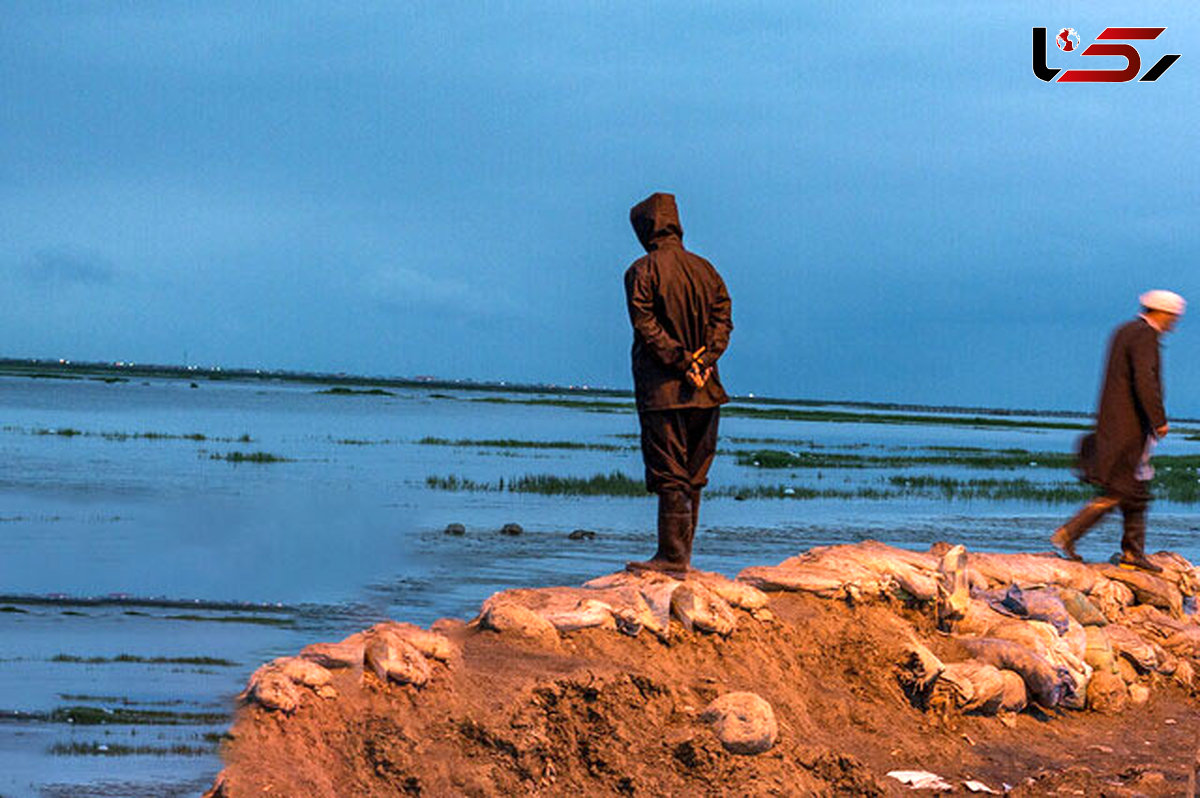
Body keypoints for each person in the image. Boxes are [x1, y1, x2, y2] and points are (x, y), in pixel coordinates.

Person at [623, 192, 732, 574]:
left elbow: (646, 328)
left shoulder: (642, 271)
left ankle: (671, 557)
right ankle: (681, 557)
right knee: (695, 474)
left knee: (670, 471)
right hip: (706, 388)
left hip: (664, 391)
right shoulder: (707, 270)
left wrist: (684, 362)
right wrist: (704, 361)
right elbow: (723, 323)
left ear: (646, 228)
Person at [1051, 290, 1186, 572]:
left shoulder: (1124, 330)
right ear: (1160, 312)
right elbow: (1144, 380)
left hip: (1115, 421)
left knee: (1133, 489)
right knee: (1123, 488)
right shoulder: (1145, 335)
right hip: (1129, 425)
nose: (1175, 322)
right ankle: (1069, 535)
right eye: (1173, 316)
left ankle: (1131, 552)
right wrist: (1158, 419)